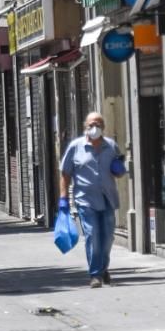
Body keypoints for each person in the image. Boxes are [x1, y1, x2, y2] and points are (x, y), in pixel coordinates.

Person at [59, 111, 126, 288]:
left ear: (103, 127)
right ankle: (95, 274)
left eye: (97, 124)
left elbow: (119, 172)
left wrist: (119, 168)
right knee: (93, 236)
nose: (94, 128)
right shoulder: (75, 147)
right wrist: (63, 198)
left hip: (108, 199)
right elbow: (65, 174)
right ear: (85, 127)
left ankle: (103, 268)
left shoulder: (111, 146)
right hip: (85, 200)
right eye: (90, 125)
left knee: (108, 238)